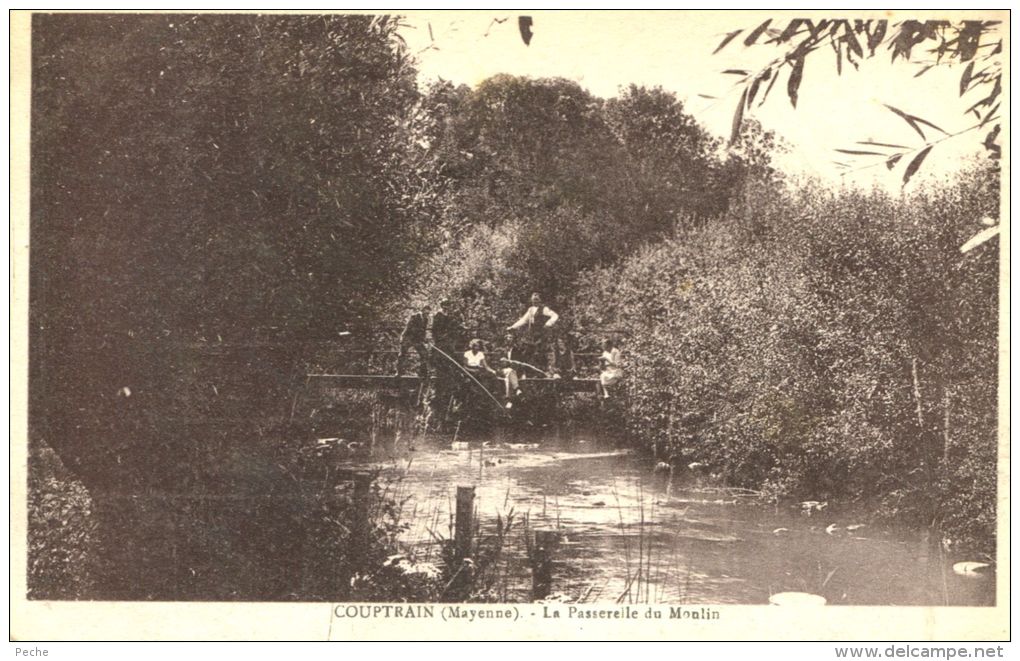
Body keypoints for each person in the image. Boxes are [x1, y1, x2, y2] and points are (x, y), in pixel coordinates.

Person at [507, 292, 559, 371]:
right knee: (528, 353)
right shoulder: (530, 309)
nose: (535, 301)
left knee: (541, 354)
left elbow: (555, 315)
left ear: (540, 300)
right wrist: (513, 327)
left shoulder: (544, 309)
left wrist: (549, 323)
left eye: (537, 299)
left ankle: (545, 371)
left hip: (542, 335)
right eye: (533, 299)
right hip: (532, 336)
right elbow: (524, 320)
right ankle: (527, 372)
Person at [395, 304, 429, 378]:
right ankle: (398, 372)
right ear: (422, 310)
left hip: (416, 339)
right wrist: (421, 337)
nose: (427, 314)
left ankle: (423, 372)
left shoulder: (426, 319)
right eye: (426, 313)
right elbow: (411, 329)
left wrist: (424, 338)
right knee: (402, 354)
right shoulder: (414, 317)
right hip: (408, 338)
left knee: (424, 353)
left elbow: (423, 331)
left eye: (428, 313)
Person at [494, 332, 524, 405]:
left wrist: (513, 364)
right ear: (505, 339)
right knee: (510, 371)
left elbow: (519, 362)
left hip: (512, 371)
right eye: (508, 337)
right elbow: (497, 362)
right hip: (502, 370)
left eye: (511, 338)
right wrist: (503, 361)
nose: (509, 339)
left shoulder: (517, 350)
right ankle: (517, 389)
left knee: (508, 377)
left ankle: (508, 400)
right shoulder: (499, 349)